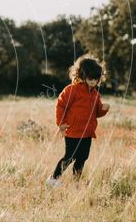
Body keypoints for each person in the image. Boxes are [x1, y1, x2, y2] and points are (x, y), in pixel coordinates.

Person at [46, 56, 110, 186]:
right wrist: (61, 123)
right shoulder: (72, 90)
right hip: (73, 131)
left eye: (96, 79)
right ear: (82, 75)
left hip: (87, 133)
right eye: (90, 78)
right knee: (69, 157)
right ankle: (53, 178)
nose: (93, 82)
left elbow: (96, 113)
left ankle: (76, 182)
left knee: (82, 158)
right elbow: (60, 105)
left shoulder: (95, 95)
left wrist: (103, 109)